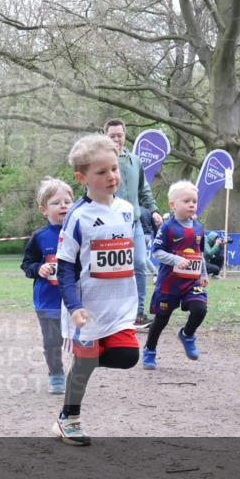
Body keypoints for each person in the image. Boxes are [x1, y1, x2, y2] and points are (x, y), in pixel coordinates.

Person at [53, 134, 140, 446]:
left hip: (119, 306)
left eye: (114, 169)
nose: (111, 176)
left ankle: (83, 361)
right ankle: (68, 418)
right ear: (82, 178)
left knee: (128, 356)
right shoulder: (78, 216)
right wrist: (74, 305)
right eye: (101, 172)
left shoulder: (128, 210)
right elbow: (65, 268)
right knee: (86, 365)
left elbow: (127, 256)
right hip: (86, 310)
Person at [104, 118, 164, 330]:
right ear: (106, 137)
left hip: (135, 223)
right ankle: (115, 314)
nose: (117, 139)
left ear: (125, 135)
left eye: (120, 135)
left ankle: (138, 313)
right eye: (112, 136)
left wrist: (155, 210)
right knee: (116, 269)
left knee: (139, 264)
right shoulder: (101, 163)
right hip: (112, 226)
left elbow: (144, 190)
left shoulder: (135, 160)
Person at [142, 181, 209, 369]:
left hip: (192, 281)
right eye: (186, 201)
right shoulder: (167, 228)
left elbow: (200, 254)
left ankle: (187, 335)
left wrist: (203, 274)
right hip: (169, 283)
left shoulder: (199, 228)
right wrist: (176, 260)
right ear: (173, 204)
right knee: (161, 320)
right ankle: (149, 350)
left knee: (200, 309)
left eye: (194, 201)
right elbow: (156, 252)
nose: (191, 205)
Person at [21, 178, 73, 393]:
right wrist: (39, 268)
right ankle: (56, 374)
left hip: (74, 301)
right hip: (47, 300)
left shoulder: (80, 232)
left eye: (67, 201)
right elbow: (27, 264)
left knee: (80, 340)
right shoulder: (40, 237)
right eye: (56, 202)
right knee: (52, 341)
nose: (63, 206)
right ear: (44, 210)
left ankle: (78, 374)